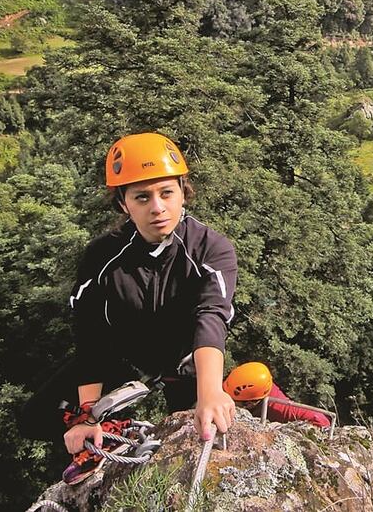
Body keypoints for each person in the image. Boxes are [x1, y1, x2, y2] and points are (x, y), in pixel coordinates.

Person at [19, 132, 238, 484]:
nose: (157, 207)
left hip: (186, 364)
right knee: (35, 419)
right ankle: (111, 433)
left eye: (167, 193)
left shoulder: (210, 249)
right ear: (124, 204)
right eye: (142, 197)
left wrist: (210, 390)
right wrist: (88, 415)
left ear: (183, 192)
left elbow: (211, 316)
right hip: (122, 358)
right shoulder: (103, 257)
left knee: (200, 435)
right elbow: (90, 335)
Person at [224, 362, 332, 429]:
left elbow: (321, 419)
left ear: (250, 403)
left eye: (233, 400)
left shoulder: (277, 407)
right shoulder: (241, 384)